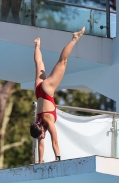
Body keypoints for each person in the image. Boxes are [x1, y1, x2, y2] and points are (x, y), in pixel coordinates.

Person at [30, 27, 85, 163]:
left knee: (62, 62)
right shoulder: (38, 124)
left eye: (41, 135)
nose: (42, 137)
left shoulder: (47, 121)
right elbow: (41, 143)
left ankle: (75, 38)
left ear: (41, 129)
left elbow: (55, 141)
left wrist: (58, 159)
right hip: (38, 91)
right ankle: (37, 44)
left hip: (47, 91)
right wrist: (40, 161)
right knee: (39, 64)